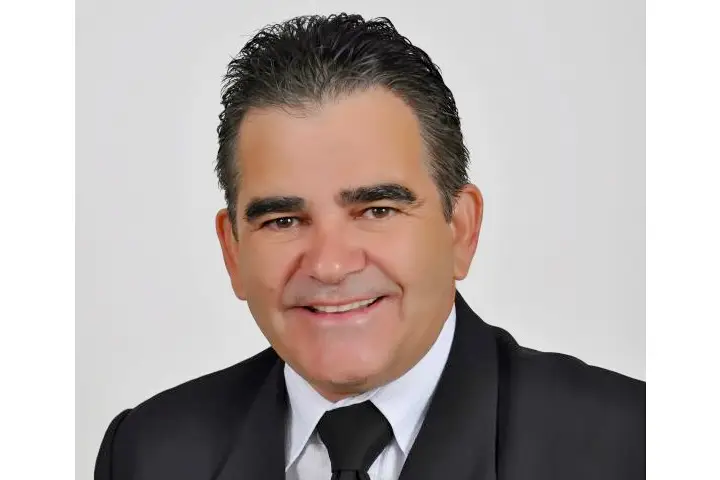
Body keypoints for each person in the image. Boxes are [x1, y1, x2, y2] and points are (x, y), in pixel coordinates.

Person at [95, 13, 644, 480]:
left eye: (377, 211)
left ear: (460, 229)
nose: (330, 265)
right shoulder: (147, 454)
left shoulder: (633, 447)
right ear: (232, 251)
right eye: (283, 221)